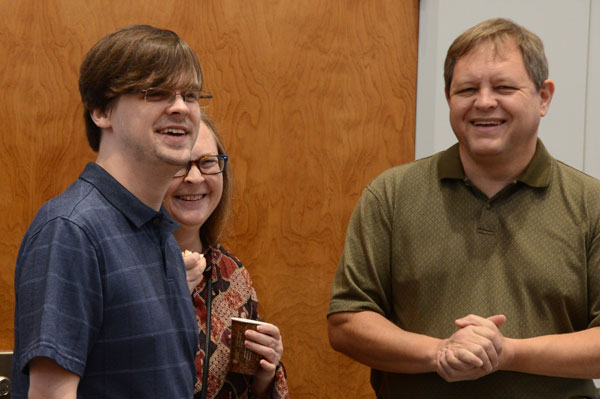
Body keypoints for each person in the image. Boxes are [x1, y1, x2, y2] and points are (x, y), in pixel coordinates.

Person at [327, 17, 600, 398]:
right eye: (467, 89)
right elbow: (346, 322)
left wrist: (507, 353)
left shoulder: (592, 205)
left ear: (544, 97)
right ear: (449, 98)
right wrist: (439, 352)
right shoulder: (389, 195)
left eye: (504, 86)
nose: (484, 102)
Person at [11, 25, 211, 398]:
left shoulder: (161, 235)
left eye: (191, 94)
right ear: (102, 111)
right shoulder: (71, 231)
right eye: (158, 92)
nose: (181, 106)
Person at [163, 111, 289, 399]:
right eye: (179, 165)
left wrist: (264, 375)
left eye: (207, 163)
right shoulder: (123, 264)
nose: (195, 177)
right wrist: (167, 299)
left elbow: (245, 390)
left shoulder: (234, 275)